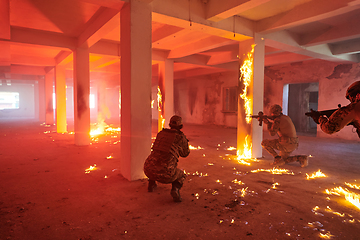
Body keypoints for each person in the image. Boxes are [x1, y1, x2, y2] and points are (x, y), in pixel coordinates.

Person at [143, 115, 190, 202]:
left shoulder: (161, 133)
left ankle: (151, 184)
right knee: (182, 175)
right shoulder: (180, 137)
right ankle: (175, 190)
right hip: (166, 174)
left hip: (147, 169)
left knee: (155, 161)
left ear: (170, 124)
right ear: (181, 126)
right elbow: (185, 154)